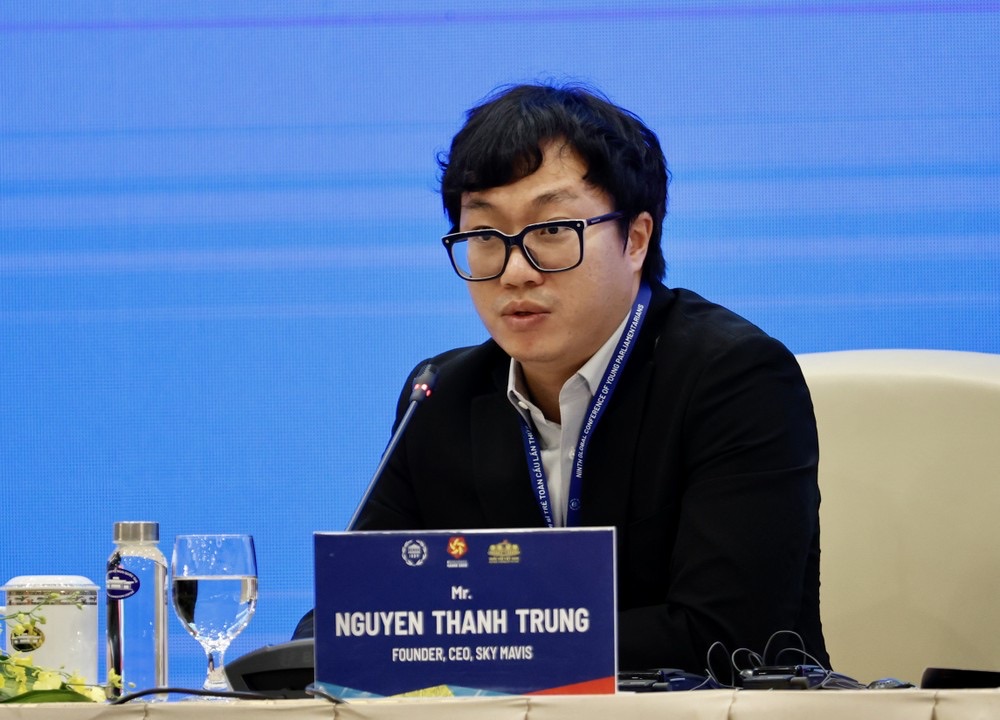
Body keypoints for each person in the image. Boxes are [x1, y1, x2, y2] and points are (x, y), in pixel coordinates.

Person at [311, 82, 829, 673]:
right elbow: (356, 612)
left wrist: (470, 644)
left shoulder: (734, 379)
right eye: (485, 236)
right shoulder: (440, 396)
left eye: (551, 230)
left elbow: (726, 637)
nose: (515, 271)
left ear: (636, 239)